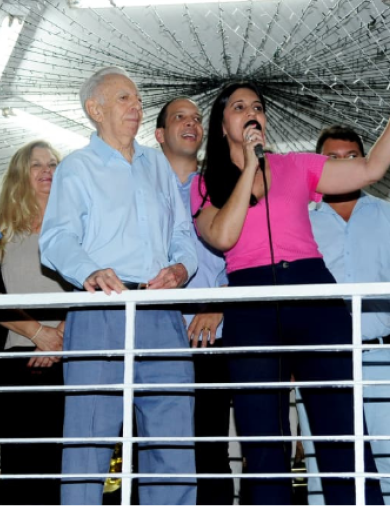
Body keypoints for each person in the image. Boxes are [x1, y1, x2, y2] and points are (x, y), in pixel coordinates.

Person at [191, 80, 390, 504]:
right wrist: (249, 169)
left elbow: (371, 169)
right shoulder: (205, 183)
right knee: (262, 439)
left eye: (257, 106)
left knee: (342, 433)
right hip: (250, 303)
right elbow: (222, 236)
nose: (251, 113)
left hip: (313, 295)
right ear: (222, 126)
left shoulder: (296, 165)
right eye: (238, 107)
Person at [39, 67, 198, 505]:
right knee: (89, 439)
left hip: (162, 311)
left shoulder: (159, 165)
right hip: (101, 309)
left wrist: (181, 269)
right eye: (125, 98)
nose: (137, 107)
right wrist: (89, 271)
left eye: (138, 99)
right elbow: (56, 239)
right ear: (95, 109)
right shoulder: (76, 167)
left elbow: (183, 235)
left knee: (173, 440)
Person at [308, 125, 390, 505]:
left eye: (352, 157)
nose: (343, 165)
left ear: (366, 162)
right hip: (321, 362)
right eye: (332, 158)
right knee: (325, 470)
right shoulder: (298, 221)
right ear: (316, 165)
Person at [0, 140, 72, 504]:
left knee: (64, 462)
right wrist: (38, 333)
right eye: (37, 164)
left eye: (53, 163)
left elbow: (96, 284)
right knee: (19, 463)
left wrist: (59, 335)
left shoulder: (79, 225)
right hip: (14, 361)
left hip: (73, 356)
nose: (47, 170)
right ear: (21, 173)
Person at [155, 97, 234, 505]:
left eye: (197, 118)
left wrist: (219, 302)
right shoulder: (142, 189)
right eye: (179, 117)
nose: (191, 124)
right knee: (157, 448)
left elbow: (248, 256)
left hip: (210, 337)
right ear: (159, 134)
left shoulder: (224, 185)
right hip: (156, 334)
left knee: (209, 449)